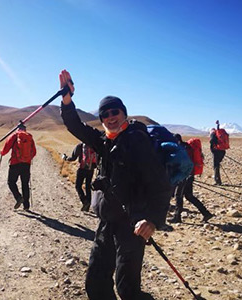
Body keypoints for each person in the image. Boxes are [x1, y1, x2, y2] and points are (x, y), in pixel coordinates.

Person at [59, 69, 172, 300]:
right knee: (96, 283)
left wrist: (153, 220)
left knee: (127, 289)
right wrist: (67, 98)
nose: (111, 117)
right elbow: (75, 126)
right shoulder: (104, 141)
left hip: (132, 224)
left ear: (124, 113)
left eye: (115, 112)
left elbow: (160, 184)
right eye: (105, 114)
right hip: (106, 222)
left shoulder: (137, 141)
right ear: (101, 119)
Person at [168, 134, 214, 223]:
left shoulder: (181, 149)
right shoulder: (187, 147)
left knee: (179, 195)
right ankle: (206, 213)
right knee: (189, 196)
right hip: (189, 174)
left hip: (184, 175)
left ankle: (177, 217)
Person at [0, 124, 36, 210]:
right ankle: (26, 206)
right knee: (25, 184)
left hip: (15, 163)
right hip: (26, 165)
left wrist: (1, 153)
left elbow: (6, 148)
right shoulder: (29, 137)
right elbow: (34, 152)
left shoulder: (14, 136)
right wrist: (27, 159)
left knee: (11, 182)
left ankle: (19, 197)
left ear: (17, 129)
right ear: (25, 129)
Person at [63, 142, 98, 212]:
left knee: (78, 186)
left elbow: (73, 158)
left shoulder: (80, 145)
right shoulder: (94, 145)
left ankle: (84, 201)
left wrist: (65, 158)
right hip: (90, 169)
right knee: (88, 186)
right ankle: (87, 205)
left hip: (82, 168)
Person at [210, 120, 226, 185]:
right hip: (222, 151)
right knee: (217, 165)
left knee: (216, 166)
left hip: (216, 152)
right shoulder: (218, 134)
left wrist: (212, 150)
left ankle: (218, 181)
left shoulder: (213, 134)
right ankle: (218, 180)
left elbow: (211, 141)